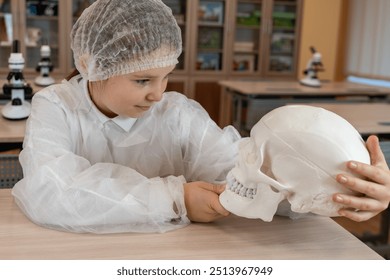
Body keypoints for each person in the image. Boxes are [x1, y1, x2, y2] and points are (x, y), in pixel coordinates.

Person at [12, 0, 390, 234]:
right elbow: (52, 192)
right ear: (90, 65)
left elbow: (247, 174)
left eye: (165, 76)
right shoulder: (56, 107)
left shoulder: (177, 115)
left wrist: (337, 189)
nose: (158, 93)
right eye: (142, 79)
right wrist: (175, 199)